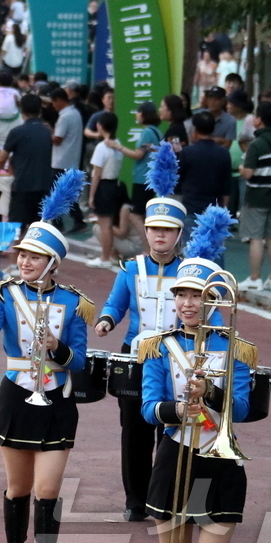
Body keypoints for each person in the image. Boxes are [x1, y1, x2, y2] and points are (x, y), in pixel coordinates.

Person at [0, 171, 92, 543]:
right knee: (18, 489)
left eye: (35, 257)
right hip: (16, 394)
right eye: (22, 254)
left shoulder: (74, 302)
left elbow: (80, 360)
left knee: (48, 490)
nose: (24, 261)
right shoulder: (4, 294)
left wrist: (58, 347)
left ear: (53, 263)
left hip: (57, 399)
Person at [141, 249, 254, 543]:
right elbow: (148, 409)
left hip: (219, 462)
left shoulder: (235, 346)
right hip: (175, 457)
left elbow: (242, 408)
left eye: (197, 295)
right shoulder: (158, 346)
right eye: (182, 294)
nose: (187, 303)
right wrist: (178, 409)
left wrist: (211, 393)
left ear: (213, 299)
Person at [94, 193, 186, 521]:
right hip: (135, 357)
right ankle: (135, 500)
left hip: (179, 361)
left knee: (173, 430)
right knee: (134, 430)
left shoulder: (190, 270)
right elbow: (116, 304)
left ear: (178, 234)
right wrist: (106, 321)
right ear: (145, 232)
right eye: (154, 229)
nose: (160, 235)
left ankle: (163, 497)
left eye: (168, 229)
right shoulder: (131, 269)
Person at [237, 102, 271, 292]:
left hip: (257, 195)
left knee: (255, 237)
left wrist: (242, 169)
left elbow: (248, 173)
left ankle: (254, 277)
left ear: (258, 120)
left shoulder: (256, 144)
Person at [0, 93, 53, 227]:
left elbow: (2, 158)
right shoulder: (48, 132)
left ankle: (18, 248)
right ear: (39, 110)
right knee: (38, 228)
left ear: (21, 109)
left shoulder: (17, 132)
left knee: (16, 227)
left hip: (23, 186)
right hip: (44, 185)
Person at [86, 112, 130, 269]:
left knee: (104, 225)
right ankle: (110, 254)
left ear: (100, 126)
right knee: (109, 224)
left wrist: (91, 196)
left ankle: (104, 257)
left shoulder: (101, 147)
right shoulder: (117, 144)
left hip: (104, 187)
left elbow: (96, 174)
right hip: (115, 185)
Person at [48, 89, 86, 233]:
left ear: (59, 100)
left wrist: (48, 132)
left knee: (57, 194)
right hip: (71, 159)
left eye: (53, 102)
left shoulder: (64, 117)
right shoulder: (75, 113)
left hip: (60, 160)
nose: (53, 105)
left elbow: (57, 139)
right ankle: (78, 220)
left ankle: (59, 224)